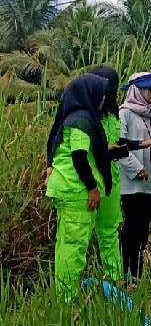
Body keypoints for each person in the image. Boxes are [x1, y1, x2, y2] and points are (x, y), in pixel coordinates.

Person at [45, 74, 113, 302]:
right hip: (77, 192)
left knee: (65, 245)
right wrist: (93, 188)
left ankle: (63, 293)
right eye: (100, 94)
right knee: (74, 248)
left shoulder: (71, 117)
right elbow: (79, 157)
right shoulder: (82, 120)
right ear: (89, 94)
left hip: (65, 189)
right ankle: (68, 298)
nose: (103, 100)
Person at [117, 72, 151, 279]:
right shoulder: (124, 113)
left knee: (144, 227)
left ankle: (138, 271)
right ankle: (125, 270)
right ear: (137, 90)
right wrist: (135, 167)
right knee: (131, 226)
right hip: (131, 181)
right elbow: (119, 145)